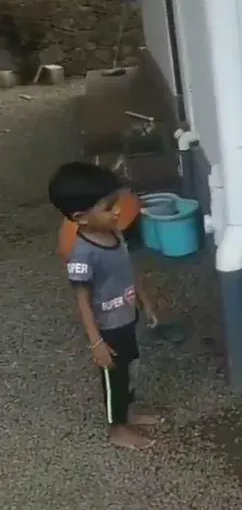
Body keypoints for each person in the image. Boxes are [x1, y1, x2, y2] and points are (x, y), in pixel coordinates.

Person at [48, 161, 160, 450]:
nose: (118, 212)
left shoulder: (115, 234)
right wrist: (95, 342)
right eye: (109, 208)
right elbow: (82, 300)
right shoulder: (82, 255)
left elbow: (128, 269)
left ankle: (128, 412)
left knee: (128, 368)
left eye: (116, 204)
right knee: (114, 378)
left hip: (125, 317)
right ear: (81, 218)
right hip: (107, 330)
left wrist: (144, 300)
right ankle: (116, 428)